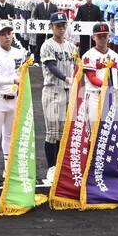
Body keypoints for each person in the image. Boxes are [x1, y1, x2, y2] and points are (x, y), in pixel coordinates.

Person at [0, 23, 28, 185]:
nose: (7, 36)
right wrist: (15, 80)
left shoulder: (19, 53)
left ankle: (8, 168)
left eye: (9, 33)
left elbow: (22, 72)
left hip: (13, 99)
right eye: (2, 34)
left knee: (9, 136)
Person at [39, 12, 76, 184]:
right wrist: (67, 78)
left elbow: (77, 67)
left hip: (69, 91)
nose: (61, 28)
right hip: (53, 90)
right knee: (52, 132)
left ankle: (60, 165)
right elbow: (51, 66)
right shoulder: (47, 45)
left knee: (64, 132)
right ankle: (51, 168)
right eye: (57, 25)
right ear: (51, 26)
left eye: (63, 24)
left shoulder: (71, 47)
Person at [80, 22, 118, 129]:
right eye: (99, 36)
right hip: (95, 95)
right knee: (94, 129)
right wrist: (107, 85)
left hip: (110, 95)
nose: (103, 39)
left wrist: (111, 87)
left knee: (110, 129)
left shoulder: (115, 56)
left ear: (109, 36)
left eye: (105, 36)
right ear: (93, 37)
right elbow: (91, 77)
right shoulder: (88, 55)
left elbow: (116, 74)